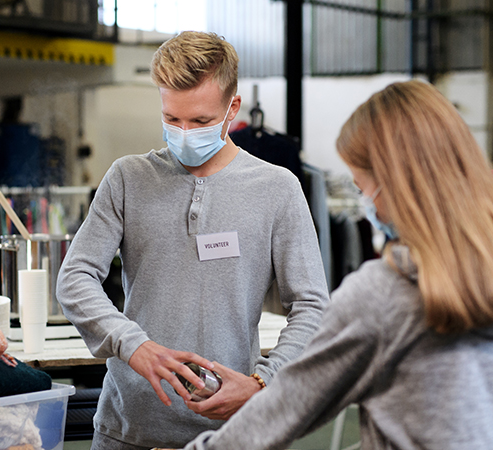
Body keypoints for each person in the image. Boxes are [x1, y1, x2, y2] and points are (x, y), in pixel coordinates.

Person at [177, 80, 493, 450]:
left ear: (397, 185)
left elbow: (282, 411)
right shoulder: (477, 275)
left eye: (362, 187)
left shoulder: (385, 293)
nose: (364, 204)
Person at [56, 31, 329, 450]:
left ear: (231, 109)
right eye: (171, 119)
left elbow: (311, 305)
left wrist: (263, 382)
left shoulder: (277, 188)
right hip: (127, 430)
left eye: (200, 121)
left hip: (233, 433)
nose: (184, 133)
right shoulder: (128, 178)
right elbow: (75, 277)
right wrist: (133, 345)